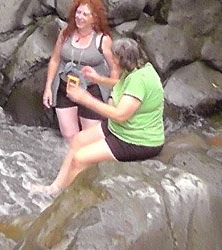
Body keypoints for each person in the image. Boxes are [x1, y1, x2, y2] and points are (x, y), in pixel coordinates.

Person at [31, 38, 165, 196]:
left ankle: (65, 199)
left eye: (114, 58)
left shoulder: (140, 80)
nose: (111, 61)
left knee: (79, 159)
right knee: (78, 140)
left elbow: (120, 115)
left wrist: (85, 99)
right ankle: (55, 188)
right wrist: (98, 79)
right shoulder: (137, 68)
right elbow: (120, 85)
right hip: (120, 128)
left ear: (123, 60)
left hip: (136, 140)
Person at [42, 0, 119, 141]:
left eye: (85, 14)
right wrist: (48, 88)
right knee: (69, 136)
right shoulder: (65, 33)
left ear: (94, 18)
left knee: (89, 139)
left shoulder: (103, 40)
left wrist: (113, 95)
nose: (80, 17)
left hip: (91, 89)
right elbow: (55, 60)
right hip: (66, 86)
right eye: (78, 12)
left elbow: (114, 69)